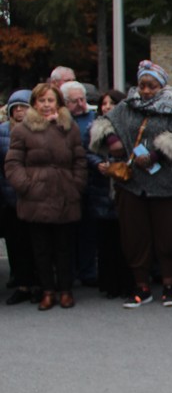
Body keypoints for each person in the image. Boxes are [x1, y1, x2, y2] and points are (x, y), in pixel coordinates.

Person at [91, 61, 172, 307]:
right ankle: (141, 287)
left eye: (152, 86)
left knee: (168, 237)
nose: (146, 91)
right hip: (133, 184)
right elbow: (104, 122)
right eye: (142, 85)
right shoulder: (127, 106)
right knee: (135, 237)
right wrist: (113, 140)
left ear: (162, 85)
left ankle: (169, 285)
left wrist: (156, 155)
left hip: (168, 185)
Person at [5, 84, 87, 310]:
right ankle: (47, 291)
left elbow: (79, 160)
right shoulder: (22, 130)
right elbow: (13, 163)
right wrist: (26, 186)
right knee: (41, 249)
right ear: (34, 103)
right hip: (36, 197)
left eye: (51, 100)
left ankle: (65, 290)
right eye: (42, 101)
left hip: (64, 194)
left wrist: (76, 186)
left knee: (64, 247)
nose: (46, 105)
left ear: (58, 103)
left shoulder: (69, 127)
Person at [90, 90, 135, 300]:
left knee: (126, 238)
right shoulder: (95, 127)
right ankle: (109, 284)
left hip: (125, 184)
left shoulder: (130, 125)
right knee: (106, 241)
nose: (107, 107)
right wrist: (97, 163)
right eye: (104, 103)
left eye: (112, 103)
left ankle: (128, 282)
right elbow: (86, 151)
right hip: (102, 189)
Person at [60, 81, 100, 287]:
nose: (81, 104)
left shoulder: (93, 120)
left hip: (90, 182)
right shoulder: (59, 121)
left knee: (87, 231)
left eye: (82, 99)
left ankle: (88, 271)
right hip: (65, 184)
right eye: (75, 101)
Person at [0, 90, 37, 305]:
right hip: (9, 196)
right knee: (16, 244)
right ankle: (22, 283)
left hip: (35, 195)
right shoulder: (2, 132)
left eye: (24, 107)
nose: (20, 111)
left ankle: (40, 285)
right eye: (16, 108)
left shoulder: (40, 129)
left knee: (37, 243)